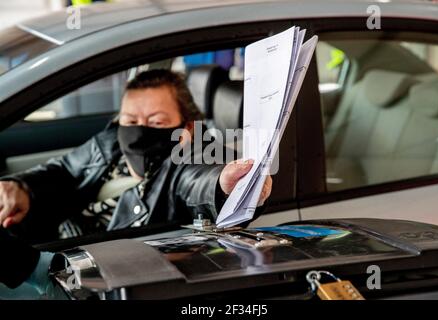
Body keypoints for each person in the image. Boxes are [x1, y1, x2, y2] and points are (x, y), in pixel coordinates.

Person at [0, 69, 272, 242]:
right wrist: (22, 188)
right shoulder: (108, 143)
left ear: (187, 128)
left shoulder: (187, 158)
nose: (138, 132)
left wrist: (225, 187)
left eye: (156, 123)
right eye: (130, 121)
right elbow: (64, 170)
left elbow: (198, 179)